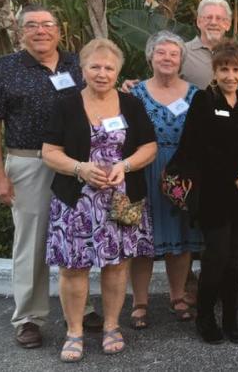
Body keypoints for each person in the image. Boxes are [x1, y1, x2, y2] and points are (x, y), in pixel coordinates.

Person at [0, 5, 102, 349]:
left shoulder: (77, 64)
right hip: (29, 162)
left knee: (77, 238)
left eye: (48, 24)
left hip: (75, 164)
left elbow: (103, 93)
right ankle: (29, 318)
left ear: (59, 31)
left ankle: (82, 307)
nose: (41, 31)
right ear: (21, 33)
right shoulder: (5, 69)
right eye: (32, 25)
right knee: (31, 243)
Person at [42, 38, 157, 361]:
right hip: (76, 200)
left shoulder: (131, 105)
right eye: (95, 66)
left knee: (118, 266)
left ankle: (111, 326)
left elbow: (149, 146)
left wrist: (125, 165)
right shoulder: (66, 105)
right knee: (73, 268)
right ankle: (74, 331)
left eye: (109, 67)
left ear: (118, 71)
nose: (102, 73)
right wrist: (80, 168)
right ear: (83, 70)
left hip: (122, 198)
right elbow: (49, 152)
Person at [174, 41, 238, 343]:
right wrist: (234, 173)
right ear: (215, 71)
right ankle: (205, 317)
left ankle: (231, 319)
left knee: (235, 259)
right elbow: (202, 146)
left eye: (236, 70)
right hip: (214, 193)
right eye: (224, 69)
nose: (230, 76)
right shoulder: (204, 101)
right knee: (216, 256)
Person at [128, 32, 202, 328]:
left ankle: (178, 296)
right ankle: (140, 302)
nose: (167, 58)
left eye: (173, 53)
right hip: (144, 168)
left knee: (181, 239)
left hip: (181, 172)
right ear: (151, 57)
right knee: (143, 240)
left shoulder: (196, 94)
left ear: (181, 59)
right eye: (161, 53)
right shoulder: (135, 93)